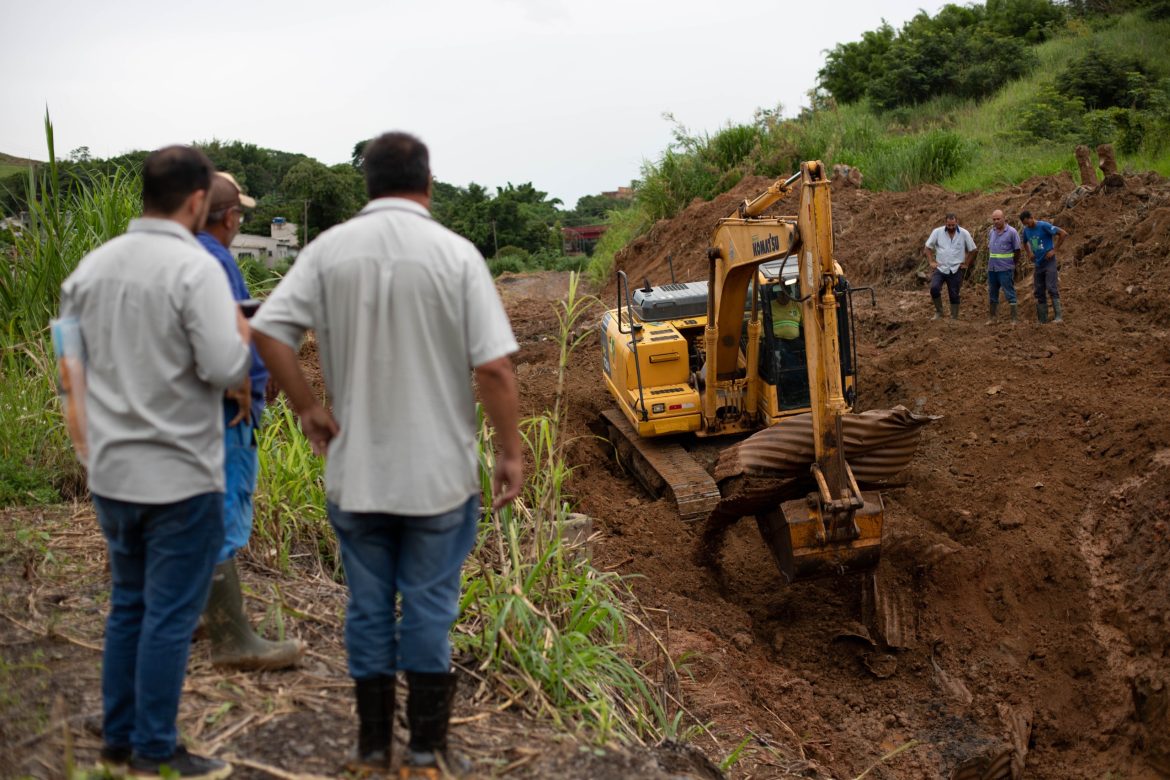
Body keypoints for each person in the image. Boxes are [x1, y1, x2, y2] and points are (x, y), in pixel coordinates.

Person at [251, 132, 522, 777]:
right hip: (439, 480)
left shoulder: (328, 251)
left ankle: (373, 749)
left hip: (358, 475)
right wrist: (509, 452)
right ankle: (426, 750)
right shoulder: (456, 256)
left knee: (368, 607)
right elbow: (493, 369)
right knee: (429, 607)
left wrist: (307, 407)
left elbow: (268, 333)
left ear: (367, 184)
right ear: (427, 183)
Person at [59, 146, 249, 779]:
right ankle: (156, 748)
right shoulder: (195, 269)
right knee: (169, 616)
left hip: (112, 473)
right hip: (180, 475)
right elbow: (224, 367)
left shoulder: (90, 269)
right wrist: (242, 335)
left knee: (129, 607)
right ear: (197, 200)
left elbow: (70, 371)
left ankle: (118, 740)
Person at [196, 172, 304, 670]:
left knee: (201, 505)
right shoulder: (216, 259)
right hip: (229, 406)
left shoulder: (183, 254)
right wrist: (245, 377)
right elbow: (228, 329)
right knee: (226, 506)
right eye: (239, 214)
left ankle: (197, 614)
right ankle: (232, 639)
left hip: (199, 406)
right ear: (229, 217)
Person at [924, 212, 977, 321]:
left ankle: (954, 317)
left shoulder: (964, 233)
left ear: (957, 222)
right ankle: (939, 312)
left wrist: (966, 264)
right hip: (940, 267)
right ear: (945, 223)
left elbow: (973, 250)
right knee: (934, 288)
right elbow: (927, 247)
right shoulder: (937, 232)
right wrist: (931, 262)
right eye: (949, 225)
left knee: (954, 294)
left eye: (953, 225)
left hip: (956, 269)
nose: (951, 227)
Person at [1020, 210, 1069, 323]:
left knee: (1051, 287)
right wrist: (1029, 253)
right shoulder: (1026, 230)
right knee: (1039, 291)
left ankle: (1058, 317)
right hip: (1038, 263)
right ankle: (1043, 320)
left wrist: (1054, 250)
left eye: (1028, 222)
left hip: (1049, 261)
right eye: (1025, 224)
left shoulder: (1043, 226)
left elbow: (1063, 233)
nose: (1028, 225)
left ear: (1032, 217)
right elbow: (1024, 242)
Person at [986, 209, 1022, 325]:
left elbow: (1017, 250)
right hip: (992, 269)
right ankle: (993, 318)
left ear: (1004, 218)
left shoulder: (1012, 232)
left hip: (1005, 268)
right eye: (994, 219)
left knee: (1009, 293)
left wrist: (1013, 264)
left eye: (998, 219)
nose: (996, 221)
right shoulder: (991, 232)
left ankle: (1014, 319)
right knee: (992, 293)